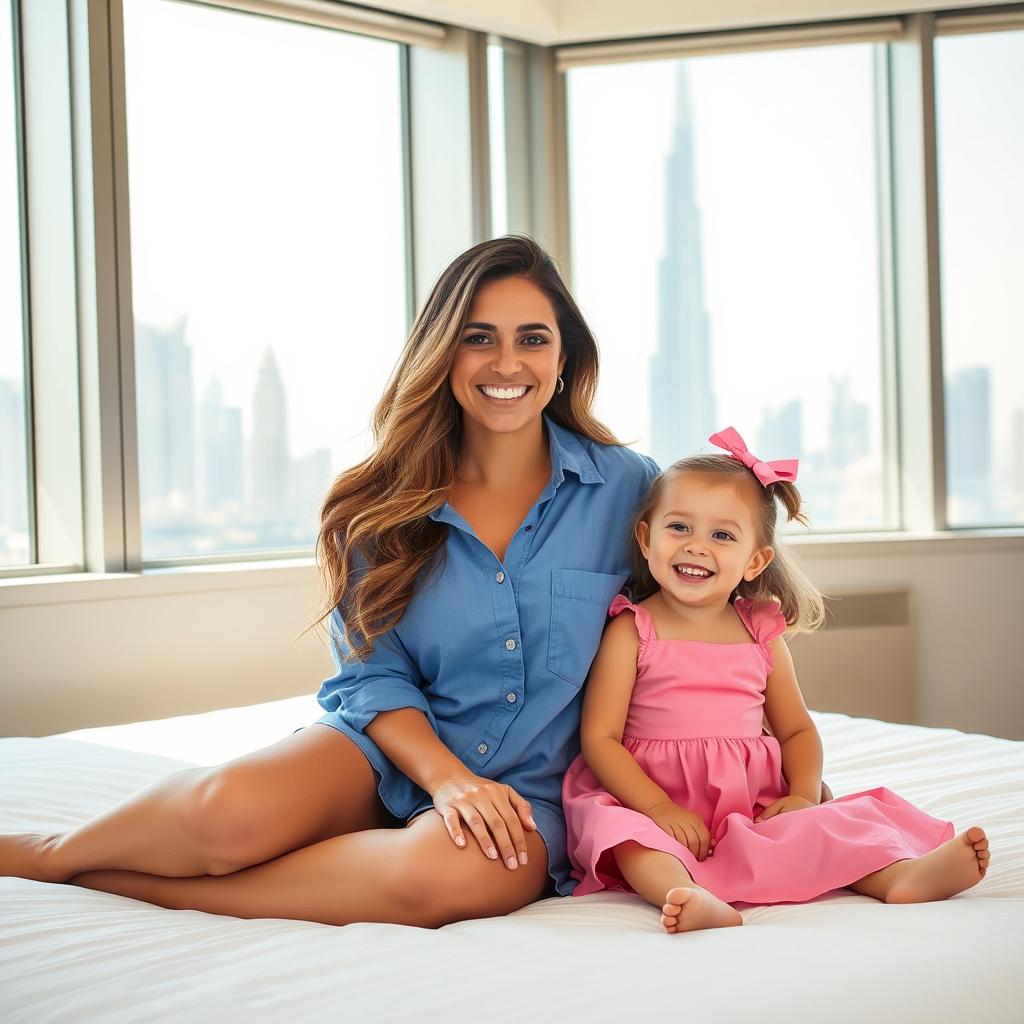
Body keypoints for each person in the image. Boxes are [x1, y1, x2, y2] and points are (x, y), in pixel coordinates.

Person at [0, 236, 662, 926]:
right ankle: (55, 854)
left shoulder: (630, 490)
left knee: (435, 876)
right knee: (224, 812)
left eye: (532, 338)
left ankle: (164, 893)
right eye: (478, 338)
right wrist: (445, 778)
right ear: (443, 354)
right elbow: (372, 675)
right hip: (386, 751)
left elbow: (699, 629)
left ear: (564, 358)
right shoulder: (375, 504)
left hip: (533, 792)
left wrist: (777, 767)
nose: (506, 363)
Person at [562, 427, 991, 934]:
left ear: (755, 561)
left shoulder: (760, 632)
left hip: (748, 798)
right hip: (653, 793)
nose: (697, 547)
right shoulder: (632, 629)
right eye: (679, 527)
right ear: (645, 536)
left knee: (826, 826)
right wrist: (657, 806)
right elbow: (600, 738)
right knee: (629, 838)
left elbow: (796, 731)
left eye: (722, 535)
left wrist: (804, 794)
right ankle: (689, 894)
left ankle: (898, 877)